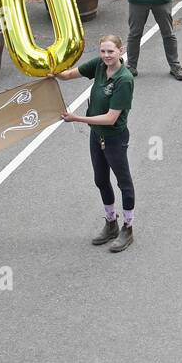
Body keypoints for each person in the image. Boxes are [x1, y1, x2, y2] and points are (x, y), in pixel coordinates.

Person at [56, 35, 137, 252]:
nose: (106, 56)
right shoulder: (100, 66)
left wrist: (77, 118)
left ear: (121, 51)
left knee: (123, 182)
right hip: (97, 135)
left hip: (114, 138)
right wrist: (55, 74)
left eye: (111, 51)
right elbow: (72, 73)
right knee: (101, 180)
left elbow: (111, 118)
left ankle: (127, 228)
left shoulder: (124, 79)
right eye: (103, 51)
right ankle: (111, 223)